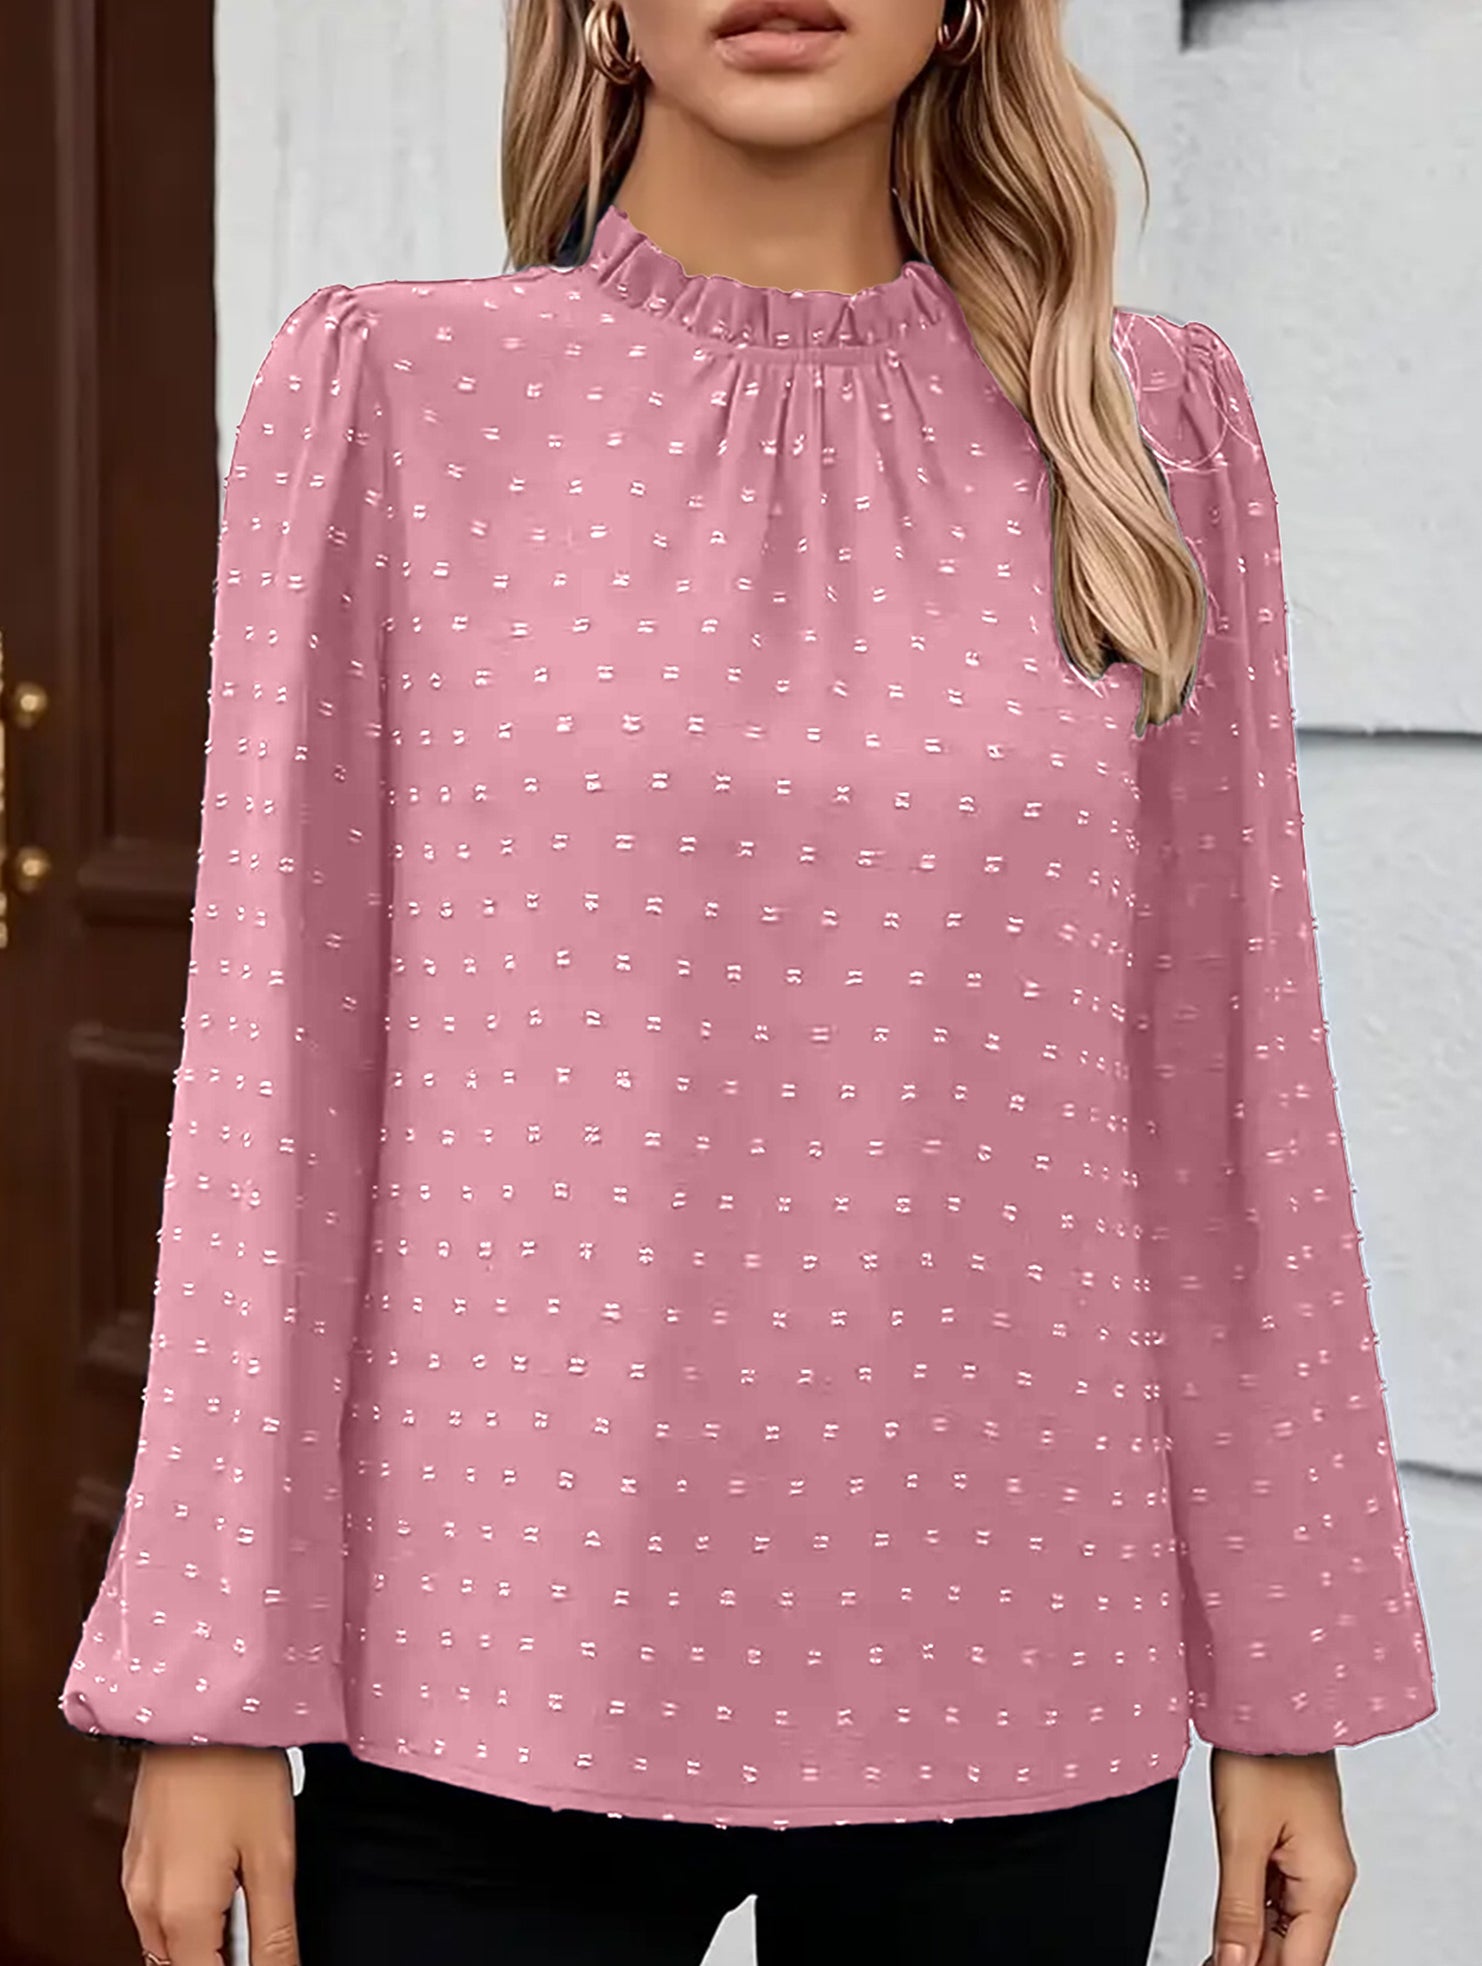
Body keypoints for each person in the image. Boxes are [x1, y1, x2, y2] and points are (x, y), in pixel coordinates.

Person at [59, 2, 1437, 1962]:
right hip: (491, 1659)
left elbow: (1226, 1097)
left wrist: (1285, 1689)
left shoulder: (1152, 429)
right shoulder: (396, 395)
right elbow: (280, 1075)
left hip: (1023, 1658)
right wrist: (211, 1684)